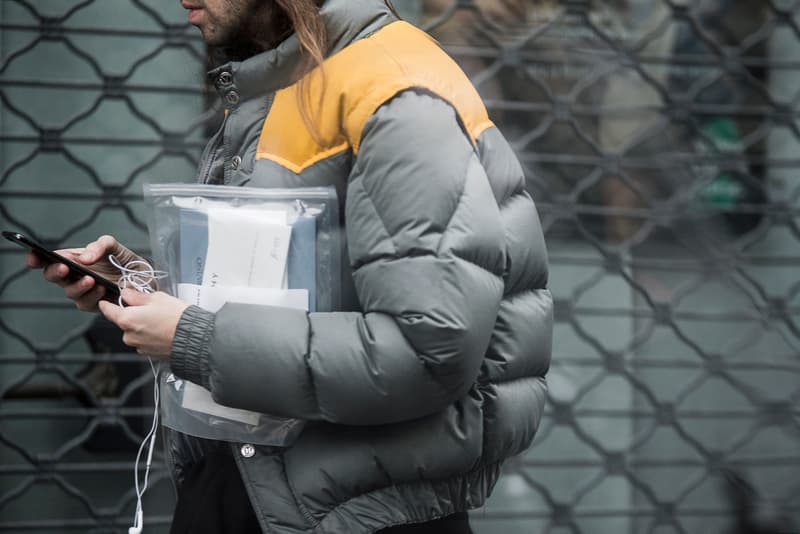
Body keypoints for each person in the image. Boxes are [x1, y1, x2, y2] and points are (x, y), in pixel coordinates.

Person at [26, 0, 552, 532]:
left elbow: (429, 349)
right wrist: (145, 288)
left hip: (356, 514)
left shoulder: (393, 91)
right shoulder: (290, 85)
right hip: (262, 490)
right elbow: (308, 289)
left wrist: (194, 339)